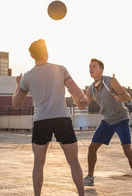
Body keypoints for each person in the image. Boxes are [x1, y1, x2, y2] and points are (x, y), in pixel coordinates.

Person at [12, 39, 87, 196]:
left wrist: (18, 85)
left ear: (32, 55)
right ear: (47, 52)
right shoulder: (60, 69)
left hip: (41, 122)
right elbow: (77, 91)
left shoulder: (27, 76)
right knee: (74, 162)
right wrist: (84, 99)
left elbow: (16, 103)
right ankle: (81, 194)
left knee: (38, 164)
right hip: (62, 119)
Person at [73, 58, 132, 195]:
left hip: (121, 119)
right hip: (107, 121)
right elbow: (82, 106)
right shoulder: (91, 88)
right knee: (92, 147)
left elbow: (127, 96)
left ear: (101, 69)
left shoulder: (110, 81)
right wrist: (73, 94)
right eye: (89, 67)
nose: (91, 69)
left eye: (94, 66)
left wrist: (119, 98)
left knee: (127, 150)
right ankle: (90, 178)